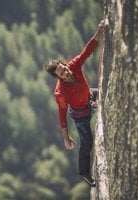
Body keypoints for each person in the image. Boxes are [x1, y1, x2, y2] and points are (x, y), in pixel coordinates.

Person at [44, 20, 105, 187]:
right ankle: (84, 172)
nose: (66, 71)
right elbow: (62, 114)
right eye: (62, 73)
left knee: (103, 92)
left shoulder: (74, 65)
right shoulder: (60, 92)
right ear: (59, 78)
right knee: (87, 142)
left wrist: (99, 32)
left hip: (89, 96)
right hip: (81, 116)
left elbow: (86, 52)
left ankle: (95, 102)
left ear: (64, 64)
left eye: (64, 68)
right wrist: (66, 137)